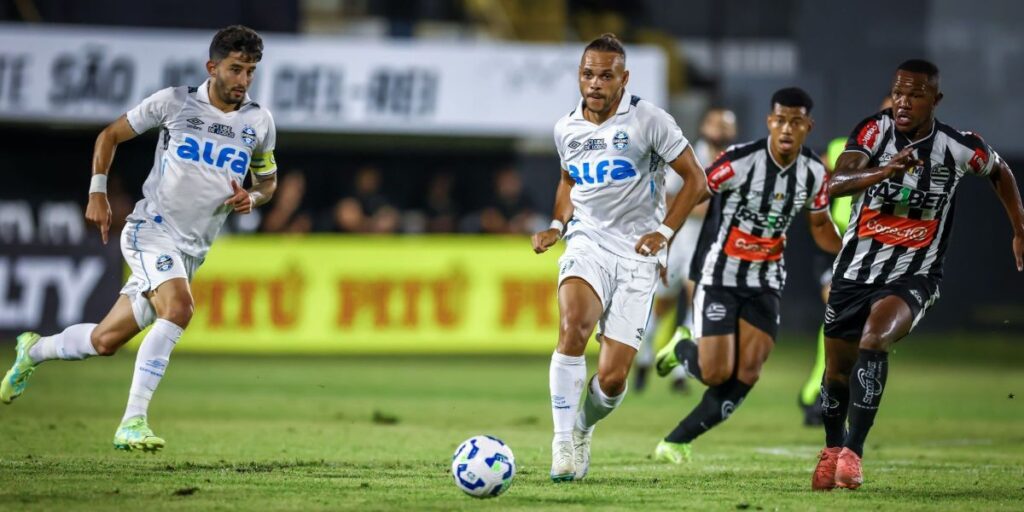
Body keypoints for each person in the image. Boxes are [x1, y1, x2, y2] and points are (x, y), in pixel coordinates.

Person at [1, 25, 278, 452]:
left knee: (104, 341)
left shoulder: (258, 122)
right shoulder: (175, 102)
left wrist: (252, 198)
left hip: (192, 249)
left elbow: (268, 181)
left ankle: (33, 351)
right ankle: (132, 422)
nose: (242, 81)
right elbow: (109, 135)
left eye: (250, 72)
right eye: (235, 69)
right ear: (213, 67)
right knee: (180, 308)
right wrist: (97, 192)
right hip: (151, 230)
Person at [811, 59, 1023, 490]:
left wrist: (1020, 228)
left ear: (935, 99)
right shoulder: (873, 131)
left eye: (915, 94)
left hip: (915, 274)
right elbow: (836, 183)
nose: (903, 102)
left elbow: (999, 171)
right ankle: (832, 448)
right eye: (899, 93)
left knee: (874, 339)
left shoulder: (959, 147)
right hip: (854, 272)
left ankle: (853, 452)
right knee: (836, 372)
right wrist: (884, 171)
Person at [531, 33, 708, 482]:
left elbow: (696, 182)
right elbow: (569, 181)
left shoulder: (650, 120)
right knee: (573, 327)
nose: (595, 83)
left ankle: (584, 426)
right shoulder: (565, 127)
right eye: (588, 74)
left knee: (611, 381)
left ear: (623, 78)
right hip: (586, 242)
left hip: (636, 255)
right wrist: (557, 224)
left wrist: (664, 232)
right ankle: (562, 441)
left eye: (606, 75)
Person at [652, 87, 842, 464]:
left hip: (766, 281)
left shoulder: (814, 172)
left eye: (796, 121)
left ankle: (674, 442)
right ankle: (682, 348)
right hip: (720, 277)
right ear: (770, 122)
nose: (787, 128)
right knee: (715, 372)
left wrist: (849, 254)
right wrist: (662, 237)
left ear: (808, 125)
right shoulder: (739, 161)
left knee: (749, 371)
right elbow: (695, 190)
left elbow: (820, 226)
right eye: (780, 120)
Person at [798, 97, 893, 426]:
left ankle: (821, 393)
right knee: (837, 317)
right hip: (836, 248)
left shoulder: (906, 158)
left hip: (873, 251)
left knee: (858, 326)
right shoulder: (845, 146)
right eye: (888, 109)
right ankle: (816, 395)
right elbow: (816, 178)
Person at [634, 107, 737, 393]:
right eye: (717, 124)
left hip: (710, 246)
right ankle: (643, 359)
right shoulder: (691, 156)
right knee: (661, 308)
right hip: (680, 241)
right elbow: (668, 198)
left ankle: (680, 371)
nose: (722, 131)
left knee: (698, 303)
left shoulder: (735, 160)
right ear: (706, 126)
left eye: (727, 126)